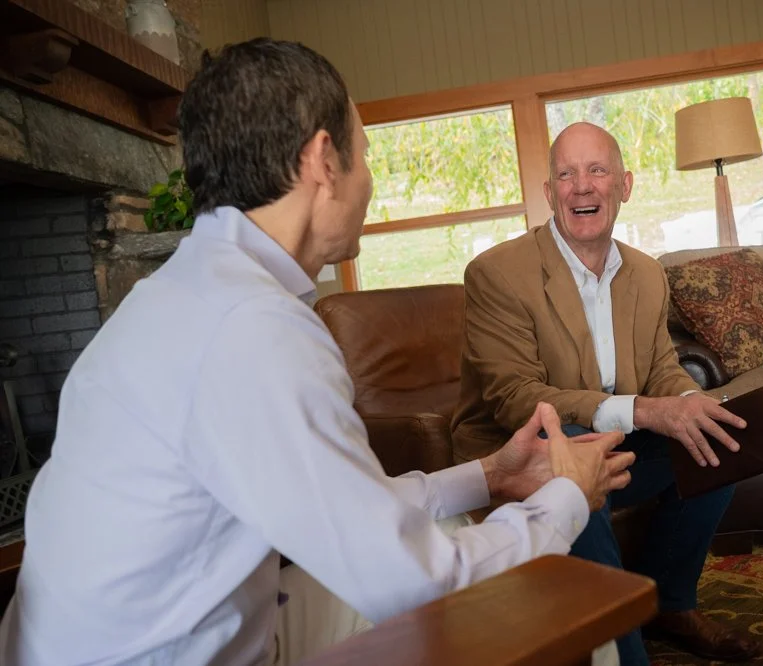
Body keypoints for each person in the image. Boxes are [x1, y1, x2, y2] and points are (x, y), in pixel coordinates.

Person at [0, 41, 636, 666]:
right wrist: (568, 497)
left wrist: (490, 474)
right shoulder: (255, 328)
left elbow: (351, 509)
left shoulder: (184, 293)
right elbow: (418, 581)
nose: (370, 179)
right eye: (364, 155)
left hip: (151, 630)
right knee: (555, 596)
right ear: (323, 160)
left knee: (451, 527)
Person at [451, 122, 762, 665]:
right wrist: (644, 410)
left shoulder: (646, 272)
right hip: (525, 454)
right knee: (573, 444)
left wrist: (690, 403)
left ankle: (670, 603)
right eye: (566, 174)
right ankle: (625, 648)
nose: (582, 186)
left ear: (625, 185)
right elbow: (515, 397)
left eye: (597, 170)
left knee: (719, 437)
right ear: (549, 194)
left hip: (612, 446)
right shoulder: (497, 275)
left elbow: (663, 368)